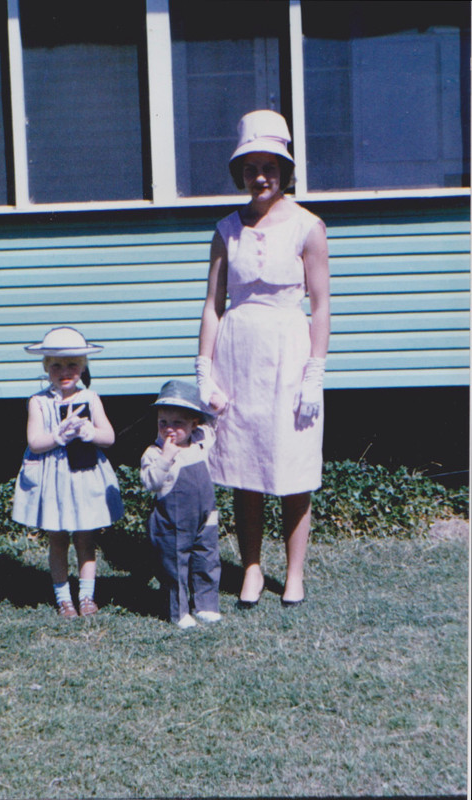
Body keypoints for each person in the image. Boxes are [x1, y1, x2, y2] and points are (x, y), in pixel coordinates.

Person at [195, 109, 330, 609]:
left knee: (293, 467)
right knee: (243, 467)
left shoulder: (308, 227)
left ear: (284, 170)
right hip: (237, 356)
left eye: (269, 167)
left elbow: (320, 307)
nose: (260, 177)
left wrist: (314, 374)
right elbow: (213, 306)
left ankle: (293, 574)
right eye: (250, 168)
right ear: (240, 173)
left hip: (289, 355)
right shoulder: (226, 230)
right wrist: (203, 371)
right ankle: (251, 569)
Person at [12, 326, 124, 618]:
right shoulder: (38, 402)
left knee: (86, 537)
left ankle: (86, 596)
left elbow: (109, 437)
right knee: (58, 538)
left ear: (83, 367)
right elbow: (35, 442)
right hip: (53, 477)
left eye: (72, 364)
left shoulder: (91, 398)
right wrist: (58, 436)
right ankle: (64, 599)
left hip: (84, 474)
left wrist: (89, 432)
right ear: (46, 368)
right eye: (56, 366)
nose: (65, 371)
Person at [140, 380, 221, 629]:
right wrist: (166, 458)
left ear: (193, 424)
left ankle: (206, 604)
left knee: (207, 559)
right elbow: (151, 482)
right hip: (172, 522)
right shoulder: (154, 452)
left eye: (178, 423)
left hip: (204, 517)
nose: (169, 429)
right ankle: (178, 611)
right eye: (163, 422)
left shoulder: (199, 442)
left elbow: (213, 425)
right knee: (174, 565)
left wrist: (214, 408)